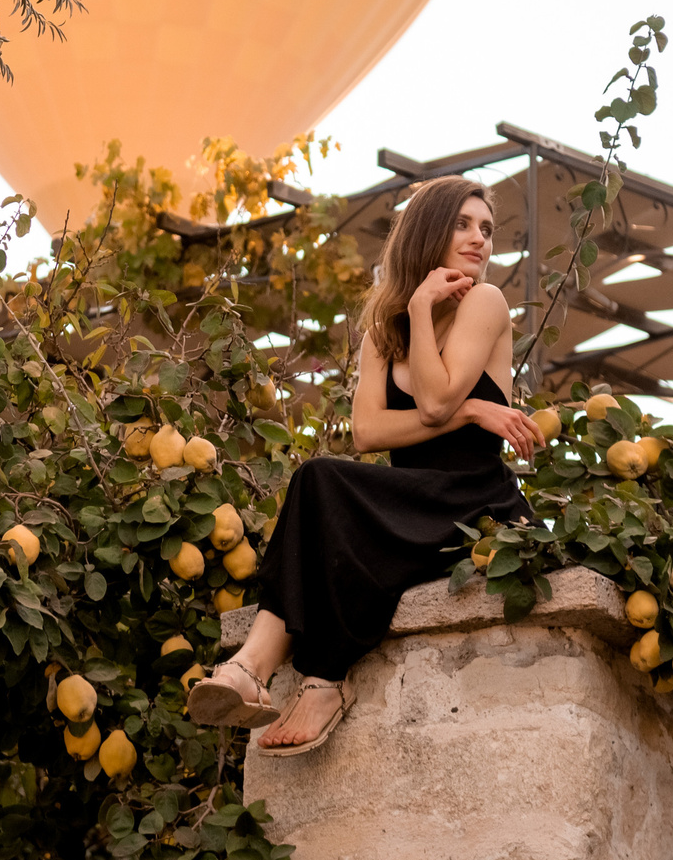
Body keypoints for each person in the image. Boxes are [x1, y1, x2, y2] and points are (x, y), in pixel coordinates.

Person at [185, 175, 542, 755]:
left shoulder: (485, 301)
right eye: (462, 224)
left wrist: (424, 310)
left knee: (319, 480)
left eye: (487, 228)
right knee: (320, 483)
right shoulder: (382, 329)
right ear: (428, 231)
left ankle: (298, 676)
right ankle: (259, 671)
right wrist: (475, 408)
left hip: (473, 502)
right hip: (409, 498)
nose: (480, 239)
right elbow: (368, 432)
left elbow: (433, 401)